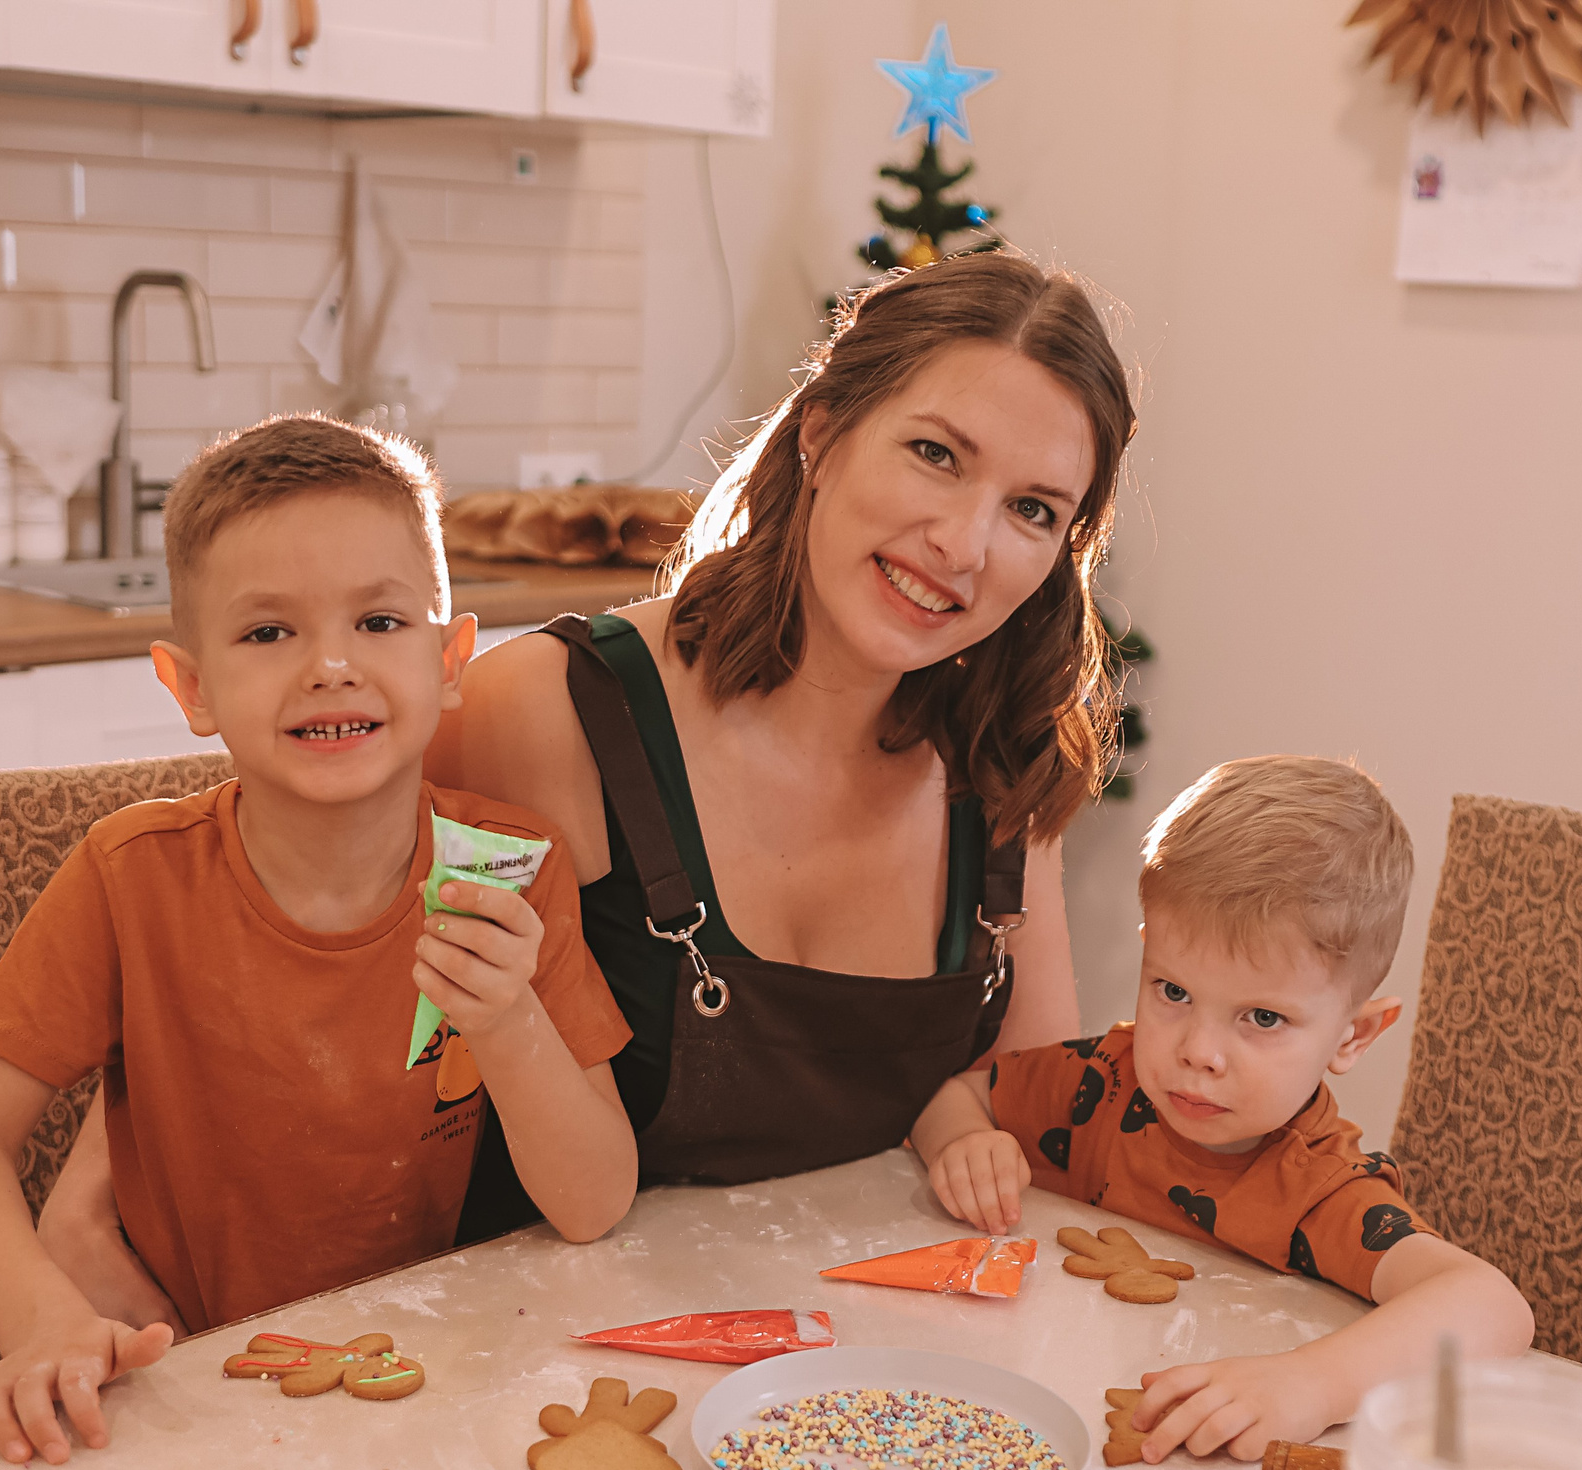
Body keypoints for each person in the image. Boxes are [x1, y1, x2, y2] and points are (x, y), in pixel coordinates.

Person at [0, 416, 634, 1467]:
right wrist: (42, 1322)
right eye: (266, 633)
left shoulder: (508, 871)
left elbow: (594, 1201)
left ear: (451, 659)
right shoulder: (127, 878)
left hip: (425, 1376)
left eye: (380, 621)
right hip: (188, 1383)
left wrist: (508, 1017)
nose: (330, 666)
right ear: (189, 687)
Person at [435, 250, 1135, 1211]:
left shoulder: (1004, 763)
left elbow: (1032, 1125)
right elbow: (386, 1116)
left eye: (1031, 509)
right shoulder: (547, 710)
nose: (966, 545)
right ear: (823, 432)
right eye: (936, 454)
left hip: (872, 1349)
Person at [908, 756, 1534, 1462]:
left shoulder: (1314, 1186)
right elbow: (952, 1095)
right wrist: (961, 1139)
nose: (1198, 1051)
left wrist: (1309, 1384)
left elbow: (1493, 1307)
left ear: (1353, 1034)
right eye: (1173, 992)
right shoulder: (1099, 1084)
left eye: (1261, 1016)